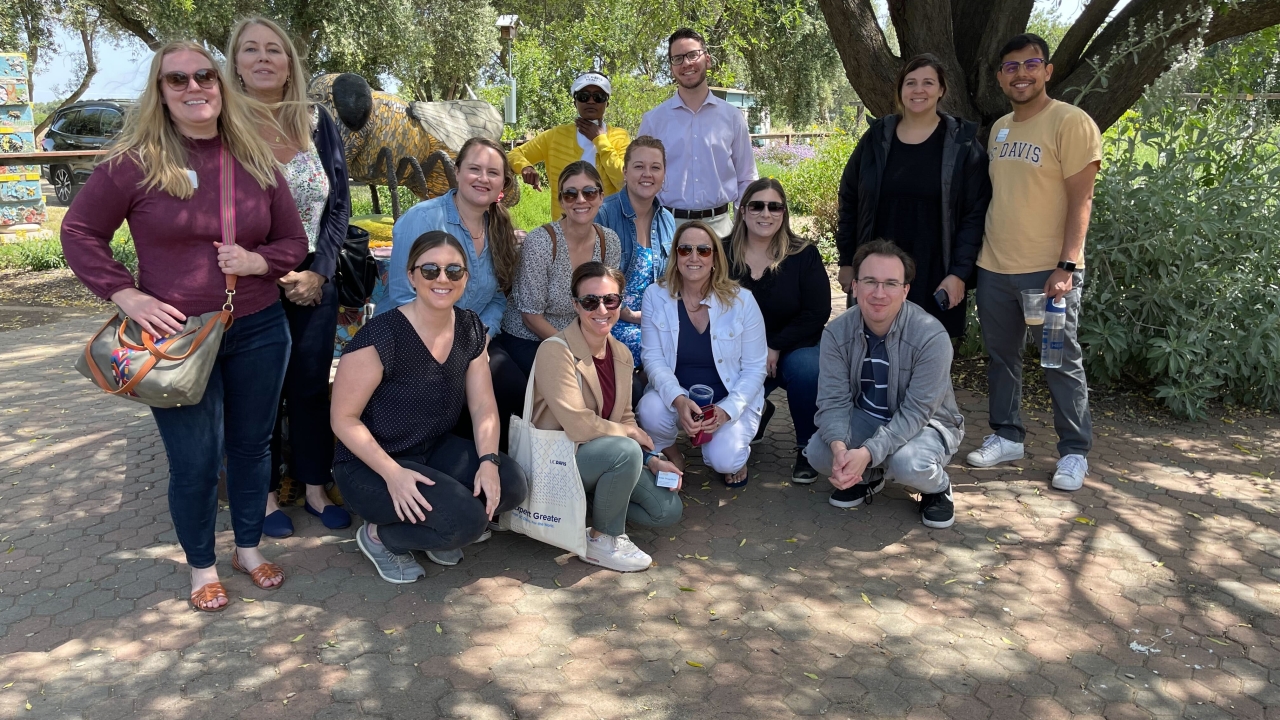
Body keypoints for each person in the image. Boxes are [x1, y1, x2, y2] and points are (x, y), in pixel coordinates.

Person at [60, 41, 309, 611]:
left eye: (205, 76)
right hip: (175, 340)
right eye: (178, 80)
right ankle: (201, 566)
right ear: (161, 92)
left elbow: (293, 241)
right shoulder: (136, 162)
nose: (194, 87)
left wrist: (258, 262)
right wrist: (126, 294)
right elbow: (78, 232)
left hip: (259, 326)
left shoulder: (255, 158)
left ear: (221, 86)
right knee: (196, 460)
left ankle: (247, 548)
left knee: (251, 448)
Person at [331, 231, 528, 582]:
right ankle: (380, 536)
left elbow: (483, 405)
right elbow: (342, 419)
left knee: (511, 484)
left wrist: (488, 461)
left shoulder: (469, 327)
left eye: (454, 271)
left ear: (466, 278)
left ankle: (436, 525)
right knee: (467, 521)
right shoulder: (380, 336)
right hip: (371, 463)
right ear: (411, 275)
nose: (442, 279)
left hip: (432, 448)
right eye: (430, 270)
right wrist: (392, 474)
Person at [226, 16, 353, 537]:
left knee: (307, 388)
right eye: (250, 49)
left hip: (311, 284)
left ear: (289, 63)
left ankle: (316, 488)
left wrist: (320, 272)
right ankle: (265, 497)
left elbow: (338, 207)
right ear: (234, 62)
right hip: (251, 284)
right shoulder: (223, 124)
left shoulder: (317, 121)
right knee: (258, 395)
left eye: (273, 50)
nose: (262, 58)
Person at [964, 34, 1100, 492]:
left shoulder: (1071, 122)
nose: (1021, 73)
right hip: (995, 268)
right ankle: (1007, 435)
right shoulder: (1000, 128)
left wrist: (1067, 264)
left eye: (1030, 64)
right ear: (1001, 76)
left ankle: (1074, 452)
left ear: (1047, 70)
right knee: (1002, 359)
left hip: (1047, 275)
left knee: (1059, 361)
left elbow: (1082, 201)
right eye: (1011, 67)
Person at [530, 262, 684, 572]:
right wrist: (631, 436)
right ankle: (602, 539)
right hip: (560, 461)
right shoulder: (555, 351)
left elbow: (625, 416)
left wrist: (652, 458)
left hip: (605, 458)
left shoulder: (621, 354)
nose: (602, 308)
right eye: (590, 301)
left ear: (620, 303)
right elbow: (578, 424)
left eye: (610, 300)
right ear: (576, 305)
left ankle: (591, 510)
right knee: (625, 449)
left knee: (667, 511)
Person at [806, 240, 963, 529]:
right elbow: (833, 401)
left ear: (905, 291)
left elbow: (917, 412)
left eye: (891, 283)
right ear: (854, 286)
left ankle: (937, 487)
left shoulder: (931, 336)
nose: (879, 293)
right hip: (868, 418)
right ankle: (869, 475)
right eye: (870, 282)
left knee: (908, 464)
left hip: (927, 424)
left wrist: (866, 452)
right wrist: (842, 452)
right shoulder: (837, 334)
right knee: (819, 452)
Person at [835, 53, 990, 339]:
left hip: (936, 273)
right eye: (911, 83)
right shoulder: (876, 138)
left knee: (928, 361)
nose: (919, 90)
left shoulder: (962, 144)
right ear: (900, 90)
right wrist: (847, 261)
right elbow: (850, 200)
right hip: (877, 274)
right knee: (870, 358)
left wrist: (958, 274)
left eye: (928, 82)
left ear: (941, 89)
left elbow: (974, 216)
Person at [384, 137, 526, 448]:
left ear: (503, 181)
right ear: (458, 172)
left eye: (492, 172)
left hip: (471, 338)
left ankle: (495, 470)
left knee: (517, 390)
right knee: (457, 397)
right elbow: (400, 298)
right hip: (414, 342)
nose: (483, 178)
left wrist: (481, 338)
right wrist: (453, 349)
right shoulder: (422, 220)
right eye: (474, 169)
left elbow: (499, 296)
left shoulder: (498, 228)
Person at [638, 221, 766, 488]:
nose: (694, 257)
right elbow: (652, 358)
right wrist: (678, 399)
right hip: (681, 394)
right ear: (675, 256)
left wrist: (727, 410)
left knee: (725, 460)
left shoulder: (743, 301)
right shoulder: (655, 295)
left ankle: (734, 448)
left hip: (727, 397)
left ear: (716, 258)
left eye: (703, 250)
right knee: (649, 410)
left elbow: (756, 368)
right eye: (685, 250)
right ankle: (673, 453)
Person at [723, 178, 830, 483]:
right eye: (757, 205)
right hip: (738, 349)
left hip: (793, 346)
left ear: (784, 213)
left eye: (775, 207)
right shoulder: (720, 252)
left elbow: (817, 312)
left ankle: (807, 447)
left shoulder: (802, 254)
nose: (765, 213)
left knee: (808, 369)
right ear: (743, 211)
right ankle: (758, 411)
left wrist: (775, 345)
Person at [499, 161, 622, 375]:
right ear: (562, 202)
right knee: (578, 384)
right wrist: (576, 351)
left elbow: (607, 305)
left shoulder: (608, 242)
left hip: (583, 336)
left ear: (602, 197)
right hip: (531, 338)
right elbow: (531, 317)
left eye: (589, 192)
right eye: (570, 194)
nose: (580, 200)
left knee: (628, 384)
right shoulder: (542, 242)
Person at [638, 28, 757, 238]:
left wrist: (745, 231)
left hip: (722, 231)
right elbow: (641, 179)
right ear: (672, 67)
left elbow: (746, 178)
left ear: (707, 60)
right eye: (678, 58)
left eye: (693, 55)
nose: (686, 63)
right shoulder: (653, 120)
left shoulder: (732, 117)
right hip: (667, 230)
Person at [596, 135, 676, 370]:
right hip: (610, 320)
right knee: (660, 352)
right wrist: (630, 315)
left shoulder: (667, 220)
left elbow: (670, 282)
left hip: (654, 320)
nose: (647, 174)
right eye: (639, 166)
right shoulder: (604, 215)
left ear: (663, 174)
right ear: (625, 171)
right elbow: (588, 281)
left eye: (655, 167)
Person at [509, 72, 630, 222]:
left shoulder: (619, 137)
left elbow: (624, 180)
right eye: (584, 96)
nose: (591, 101)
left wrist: (600, 139)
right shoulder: (555, 136)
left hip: (608, 227)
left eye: (598, 97)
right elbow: (513, 155)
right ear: (575, 102)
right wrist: (525, 167)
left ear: (607, 103)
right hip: (565, 230)